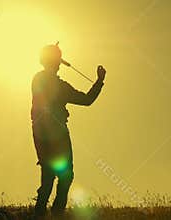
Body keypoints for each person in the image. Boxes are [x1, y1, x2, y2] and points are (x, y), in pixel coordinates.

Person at [31, 44, 106, 218]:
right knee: (63, 177)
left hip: (40, 134)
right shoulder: (58, 86)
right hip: (57, 135)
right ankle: (54, 214)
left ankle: (41, 215)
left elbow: (85, 100)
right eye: (57, 59)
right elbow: (87, 100)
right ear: (54, 61)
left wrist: (99, 82)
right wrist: (99, 81)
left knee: (49, 177)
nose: (59, 63)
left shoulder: (38, 79)